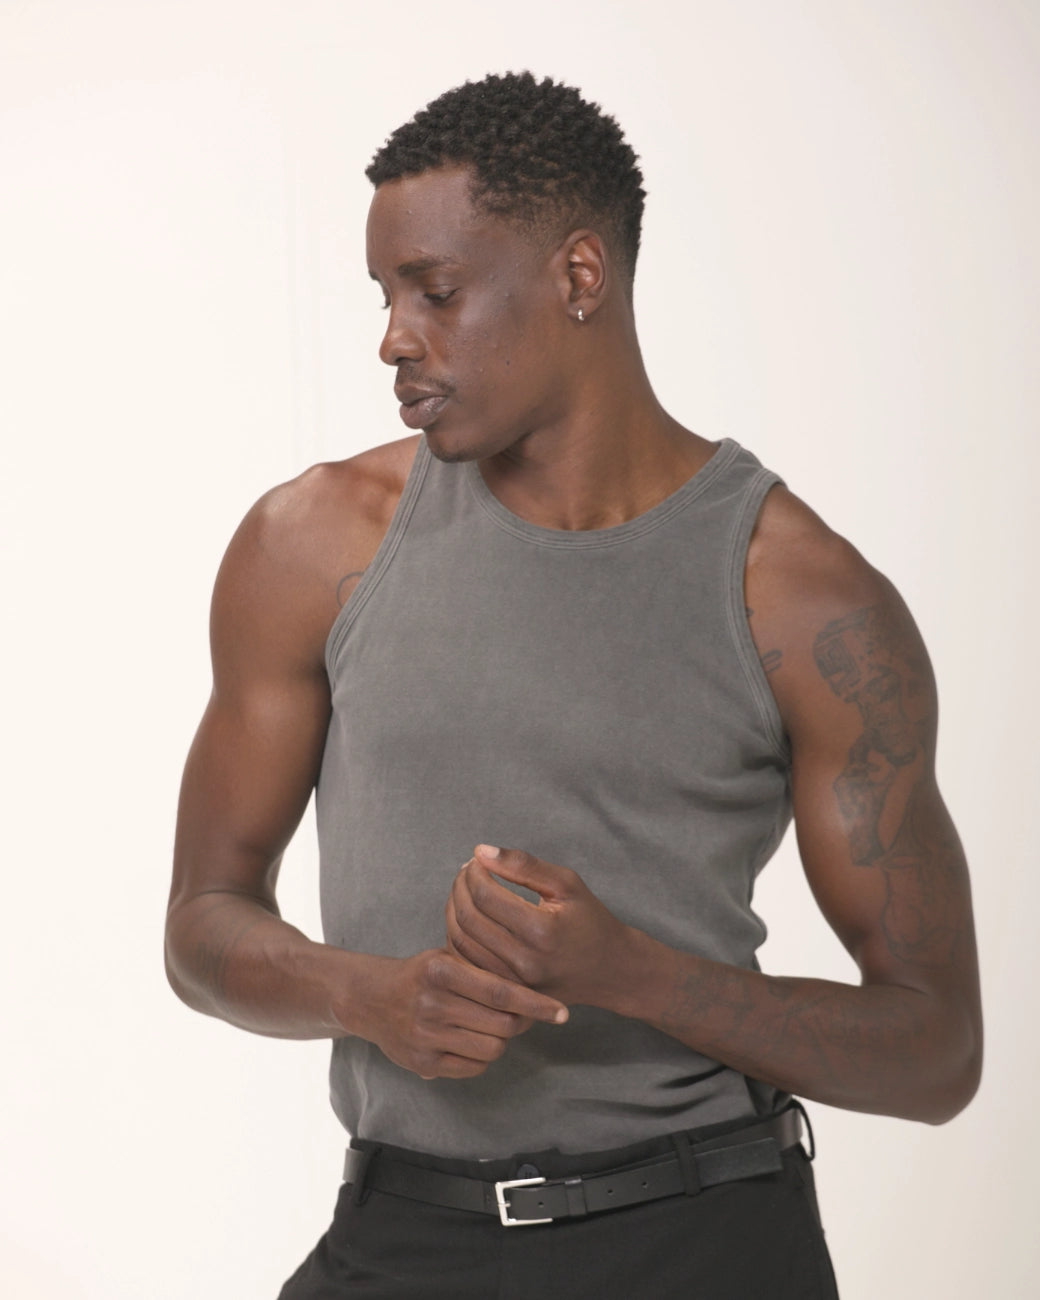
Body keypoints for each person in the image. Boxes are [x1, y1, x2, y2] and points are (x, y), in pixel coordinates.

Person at [165, 72, 982, 1298]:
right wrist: (370, 996)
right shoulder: (310, 545)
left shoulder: (803, 601)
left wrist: (637, 975)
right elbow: (202, 921)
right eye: (385, 296)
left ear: (578, 276)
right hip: (406, 1229)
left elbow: (934, 1052)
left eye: (435, 291)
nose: (393, 336)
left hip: (706, 1242)